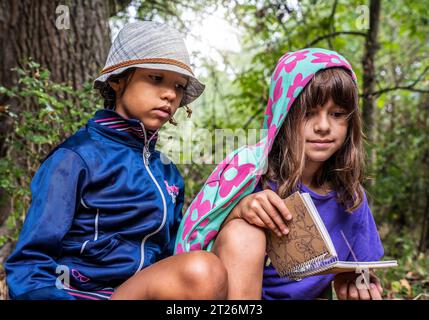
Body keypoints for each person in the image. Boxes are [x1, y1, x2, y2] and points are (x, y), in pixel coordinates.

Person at [5, 21, 228, 300]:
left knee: (206, 267)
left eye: (179, 86)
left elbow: (174, 257)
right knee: (202, 269)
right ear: (118, 79)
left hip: (139, 293)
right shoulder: (76, 158)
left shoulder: (169, 174)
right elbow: (30, 262)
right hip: (80, 294)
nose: (170, 94)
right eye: (156, 78)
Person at [175, 48, 385, 300]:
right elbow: (201, 237)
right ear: (284, 116)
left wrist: (358, 284)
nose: (323, 126)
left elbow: (361, 269)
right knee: (243, 232)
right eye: (308, 113)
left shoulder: (351, 198)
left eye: (337, 114)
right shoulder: (252, 176)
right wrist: (240, 210)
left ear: (350, 122)